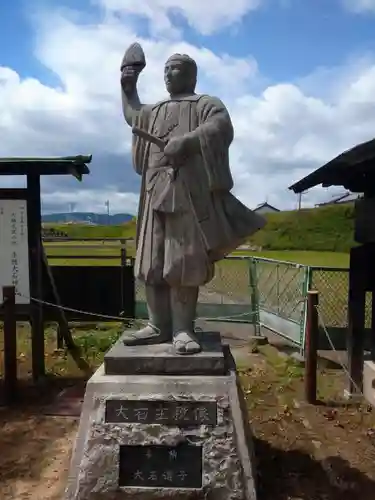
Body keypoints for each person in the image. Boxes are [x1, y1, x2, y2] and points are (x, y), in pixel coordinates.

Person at [120, 47, 265, 355]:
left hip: (187, 195)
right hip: (152, 193)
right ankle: (156, 324)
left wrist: (187, 141)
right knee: (151, 261)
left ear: (191, 74)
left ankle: (184, 328)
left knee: (183, 261)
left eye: (175, 68)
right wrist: (128, 89)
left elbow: (220, 127)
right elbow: (134, 113)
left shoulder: (205, 104)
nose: (168, 73)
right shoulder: (155, 110)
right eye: (166, 69)